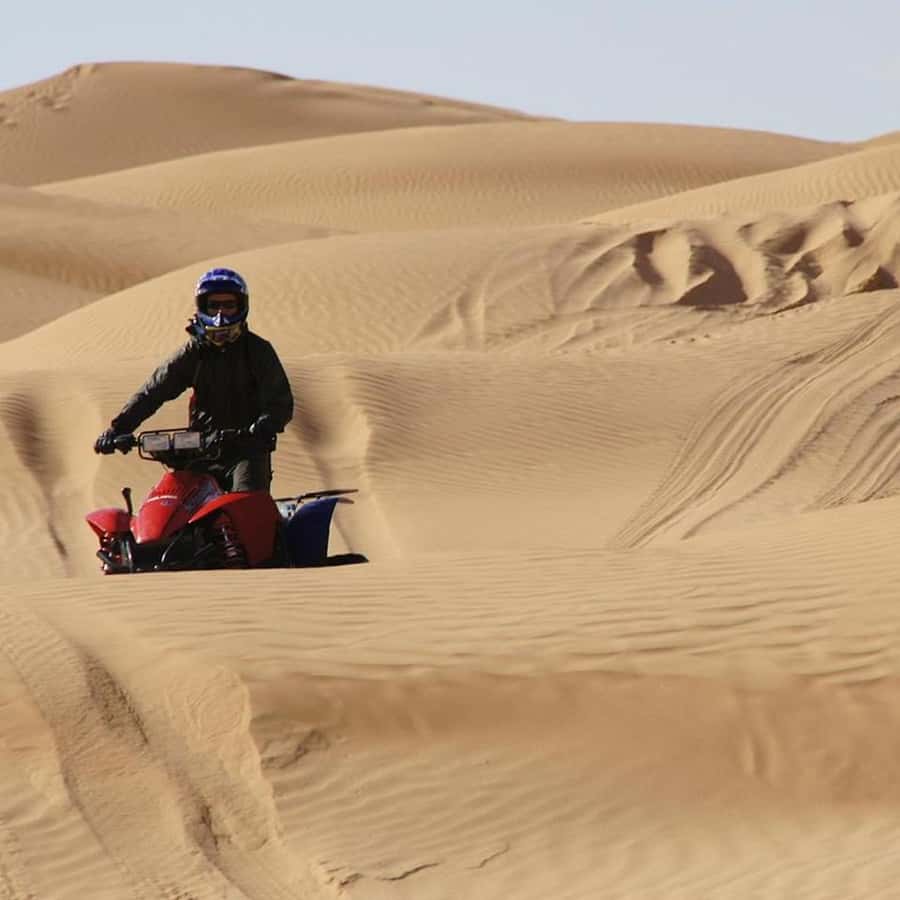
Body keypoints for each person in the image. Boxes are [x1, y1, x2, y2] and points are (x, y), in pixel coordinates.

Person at [94, 267, 293, 492]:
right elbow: (154, 391)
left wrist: (263, 427)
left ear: (241, 306)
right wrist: (118, 428)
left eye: (229, 305)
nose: (221, 313)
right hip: (200, 449)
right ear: (202, 307)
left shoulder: (258, 351)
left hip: (247, 452)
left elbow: (280, 402)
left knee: (247, 508)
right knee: (172, 506)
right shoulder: (194, 352)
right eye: (214, 305)